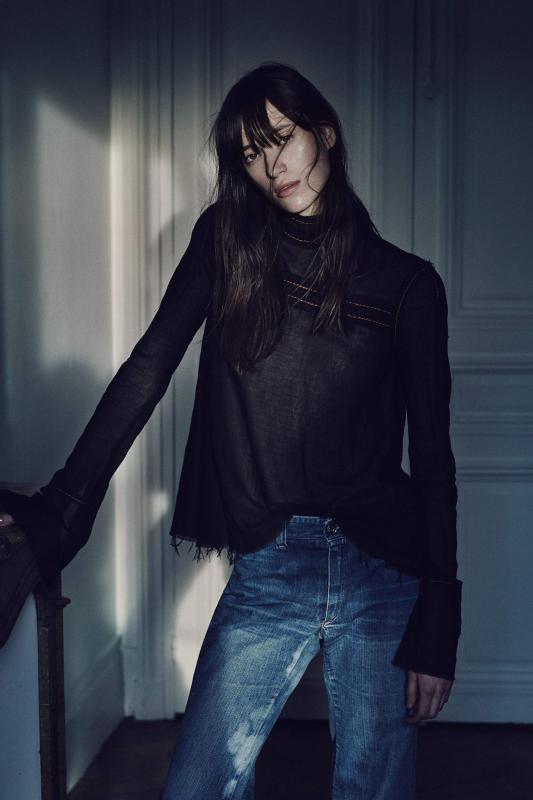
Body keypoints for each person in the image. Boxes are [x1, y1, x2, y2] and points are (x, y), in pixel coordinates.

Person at [0, 62, 462, 799]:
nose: (273, 166)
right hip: (272, 565)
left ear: (325, 133)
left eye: (283, 137)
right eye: (251, 153)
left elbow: (433, 462)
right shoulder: (226, 242)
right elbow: (148, 368)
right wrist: (65, 504)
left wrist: (440, 619)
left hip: (383, 571)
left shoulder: (408, 285)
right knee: (197, 786)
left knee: (374, 789)